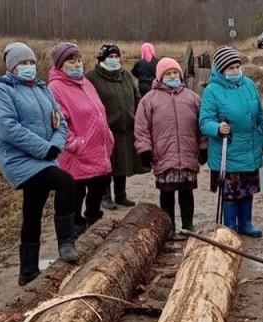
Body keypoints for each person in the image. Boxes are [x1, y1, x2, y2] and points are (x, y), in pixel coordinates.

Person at [0, 42, 79, 286]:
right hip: (19, 160)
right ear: (11, 67)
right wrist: (44, 148)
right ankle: (66, 243)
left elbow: (61, 123)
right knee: (66, 182)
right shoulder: (0, 91)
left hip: (45, 156)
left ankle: (27, 270)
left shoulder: (42, 89)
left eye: (31, 63)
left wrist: (56, 145)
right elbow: (8, 129)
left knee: (33, 210)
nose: (28, 67)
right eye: (22, 63)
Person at [199, 46, 263, 237]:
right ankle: (230, 226)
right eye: (230, 67)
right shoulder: (212, 91)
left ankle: (246, 223)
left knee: (247, 190)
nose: (235, 70)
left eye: (237, 66)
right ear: (221, 70)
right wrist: (217, 128)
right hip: (228, 151)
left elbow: (260, 117)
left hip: (250, 148)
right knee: (231, 192)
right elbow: (204, 122)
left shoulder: (249, 85)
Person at [135, 57, 207, 237]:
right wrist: (144, 149)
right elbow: (141, 127)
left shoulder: (192, 98)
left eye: (175, 73)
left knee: (186, 192)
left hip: (188, 154)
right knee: (166, 194)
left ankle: (188, 225)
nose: (173, 76)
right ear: (160, 76)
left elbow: (202, 124)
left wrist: (204, 146)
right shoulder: (149, 100)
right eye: (168, 73)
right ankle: (169, 227)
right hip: (163, 155)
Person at [48, 42, 114, 236]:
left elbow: (99, 111)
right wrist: (75, 144)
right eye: (71, 61)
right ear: (60, 64)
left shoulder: (86, 83)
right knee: (76, 193)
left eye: (79, 60)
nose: (77, 64)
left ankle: (94, 227)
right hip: (76, 153)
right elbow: (58, 123)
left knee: (98, 188)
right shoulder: (55, 88)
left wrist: (108, 137)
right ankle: (75, 231)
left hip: (98, 149)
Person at [85, 43, 148, 210]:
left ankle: (121, 195)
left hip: (126, 127)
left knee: (123, 162)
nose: (114, 60)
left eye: (116, 56)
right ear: (102, 59)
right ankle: (105, 196)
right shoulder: (92, 77)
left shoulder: (125, 75)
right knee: (107, 165)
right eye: (110, 57)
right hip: (105, 129)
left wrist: (137, 113)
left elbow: (136, 96)